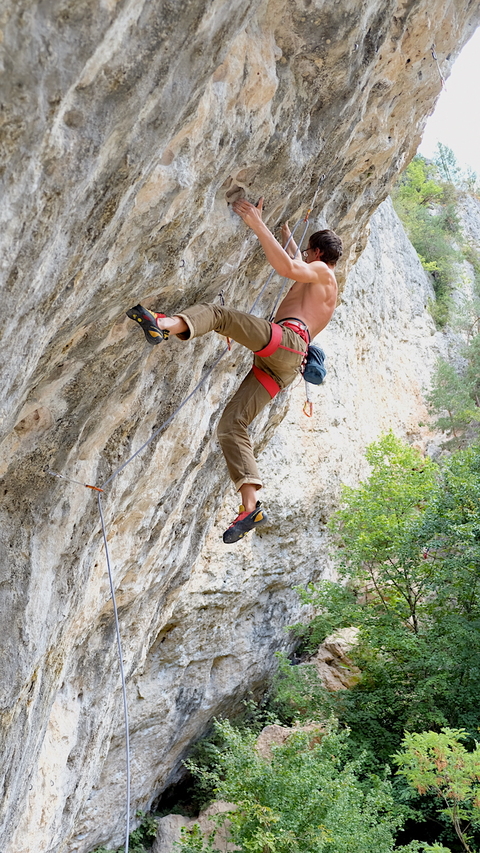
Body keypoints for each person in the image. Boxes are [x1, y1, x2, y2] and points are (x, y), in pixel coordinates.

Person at [126, 198, 342, 543]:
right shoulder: (322, 283)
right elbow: (295, 263)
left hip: (286, 342)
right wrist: (285, 236)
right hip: (282, 366)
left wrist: (256, 222)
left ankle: (161, 324)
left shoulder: (325, 274)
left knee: (219, 315)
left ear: (317, 253)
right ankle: (250, 506)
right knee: (232, 425)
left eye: (307, 250)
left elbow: (289, 268)